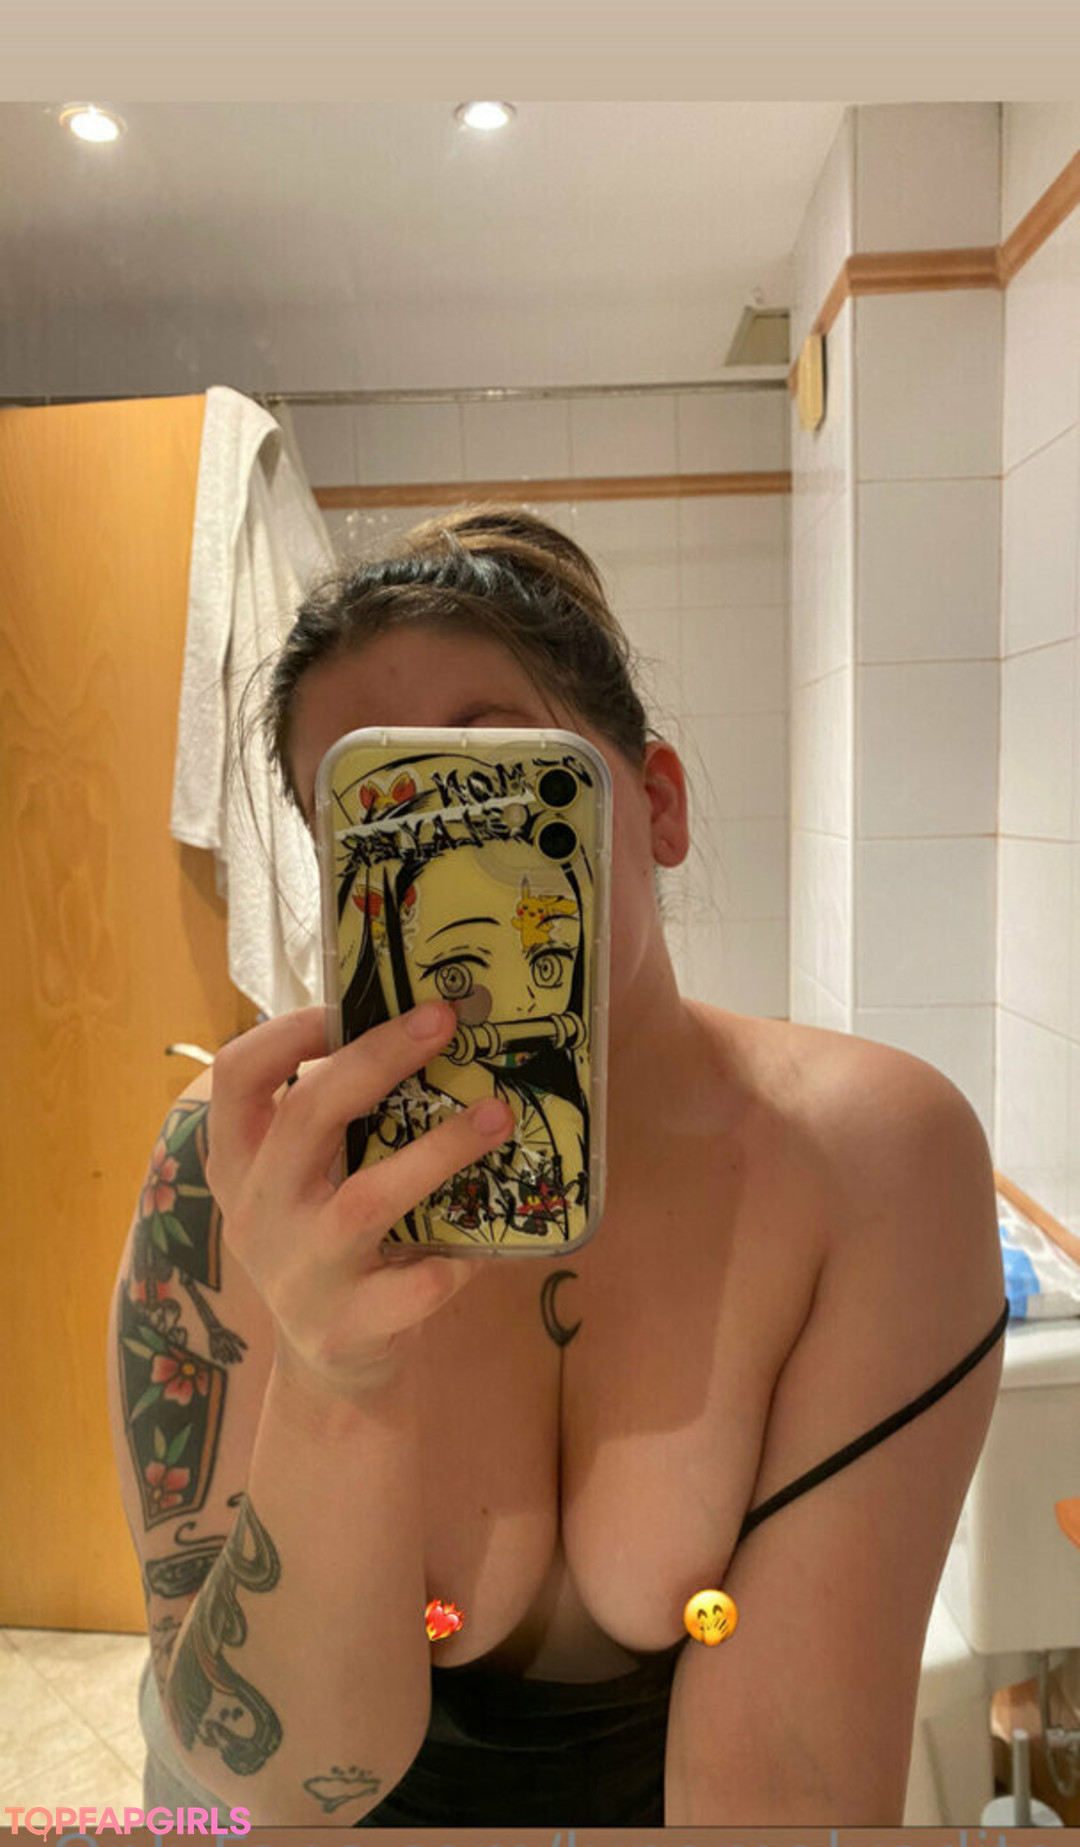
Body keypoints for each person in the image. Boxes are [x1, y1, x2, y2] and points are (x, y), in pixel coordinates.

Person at [107, 503, 1007, 1827]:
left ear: (657, 807)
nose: (446, 886)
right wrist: (333, 1380)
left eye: (495, 787)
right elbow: (280, 1788)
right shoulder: (240, 1171)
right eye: (377, 818)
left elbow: (780, 1787)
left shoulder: (868, 1161)